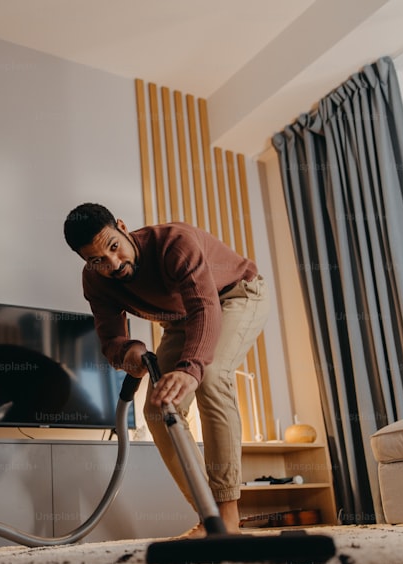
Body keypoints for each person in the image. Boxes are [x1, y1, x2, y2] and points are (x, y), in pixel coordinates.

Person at [63, 202, 270, 536]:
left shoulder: (174, 243)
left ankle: (228, 518)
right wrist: (129, 351)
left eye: (114, 247)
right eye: (97, 260)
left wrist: (191, 368)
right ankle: (208, 515)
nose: (113, 264)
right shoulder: (95, 281)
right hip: (179, 321)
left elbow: (205, 306)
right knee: (158, 409)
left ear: (122, 226)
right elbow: (112, 338)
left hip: (235, 295)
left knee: (212, 376)